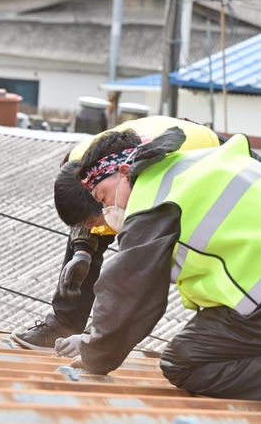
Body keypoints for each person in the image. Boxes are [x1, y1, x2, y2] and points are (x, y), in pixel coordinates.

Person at [57, 127, 261, 400]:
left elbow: (130, 293)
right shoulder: (189, 164)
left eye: (103, 197)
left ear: (124, 173)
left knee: (184, 361)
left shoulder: (151, 202)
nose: (106, 212)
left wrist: (96, 352)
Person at [11, 116, 222, 351]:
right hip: (131, 166)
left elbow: (136, 276)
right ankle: (63, 324)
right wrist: (82, 252)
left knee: (146, 257)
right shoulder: (77, 162)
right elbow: (87, 212)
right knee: (87, 236)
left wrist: (97, 341)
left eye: (93, 220)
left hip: (208, 157)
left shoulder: (153, 183)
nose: (93, 229)